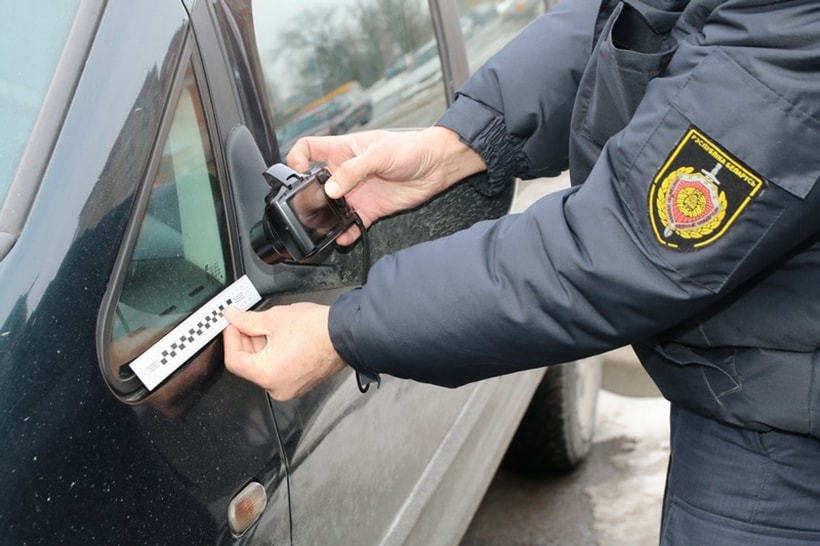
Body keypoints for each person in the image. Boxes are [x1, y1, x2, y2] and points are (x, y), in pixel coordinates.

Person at [223, 0, 820, 542]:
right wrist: (462, 141)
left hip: (786, 440)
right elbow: (628, 18)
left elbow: (620, 249)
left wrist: (344, 330)